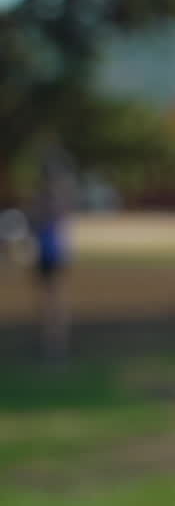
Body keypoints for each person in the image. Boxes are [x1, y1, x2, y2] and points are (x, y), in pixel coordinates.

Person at [29, 146, 76, 360]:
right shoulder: (50, 197)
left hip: (53, 252)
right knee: (50, 297)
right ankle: (51, 338)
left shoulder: (49, 198)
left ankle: (55, 339)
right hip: (48, 251)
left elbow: (39, 220)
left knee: (53, 297)